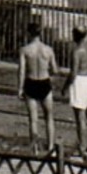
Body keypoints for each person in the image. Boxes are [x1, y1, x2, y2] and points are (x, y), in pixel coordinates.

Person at [17, 19, 58, 152]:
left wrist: (20, 88)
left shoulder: (25, 50)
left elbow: (22, 70)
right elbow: (55, 70)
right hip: (45, 82)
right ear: (41, 34)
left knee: (33, 119)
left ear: (29, 33)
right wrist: (49, 74)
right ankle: (51, 146)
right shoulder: (48, 50)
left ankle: (35, 148)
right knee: (49, 117)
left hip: (31, 82)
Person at [63, 25, 87, 157]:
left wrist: (65, 86)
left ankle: (82, 146)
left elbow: (73, 72)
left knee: (80, 117)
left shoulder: (76, 51)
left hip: (80, 80)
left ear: (75, 35)